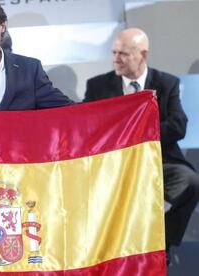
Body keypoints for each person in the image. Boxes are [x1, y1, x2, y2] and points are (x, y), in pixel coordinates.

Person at [83, 28, 199, 263]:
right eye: (114, 52)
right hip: (115, 164)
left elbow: (178, 125)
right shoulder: (98, 86)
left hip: (159, 161)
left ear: (143, 55)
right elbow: (86, 125)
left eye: (123, 54)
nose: (116, 59)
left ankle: (162, 242)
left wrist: (140, 136)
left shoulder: (166, 83)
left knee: (191, 183)